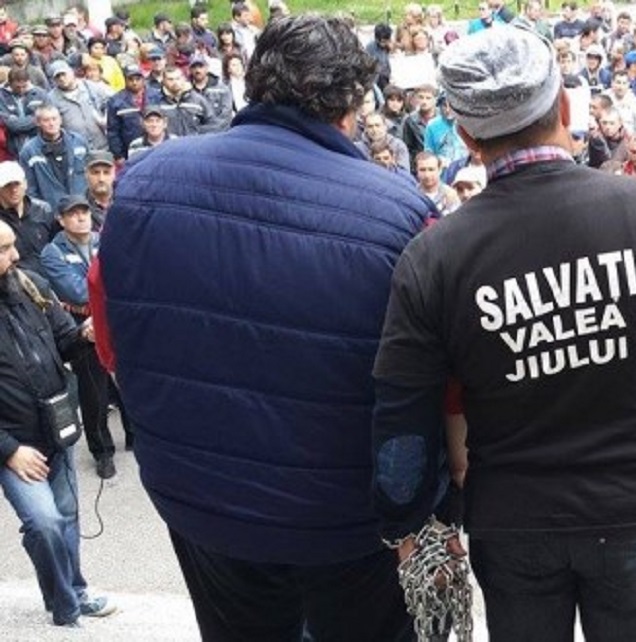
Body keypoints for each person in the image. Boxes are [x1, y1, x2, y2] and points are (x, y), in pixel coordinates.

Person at [371, 25, 636, 641]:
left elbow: (401, 425)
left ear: (466, 137)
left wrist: (408, 522)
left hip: (516, 522)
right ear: (565, 109)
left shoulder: (434, 257)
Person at [97, 16, 431, 640]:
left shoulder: (142, 185)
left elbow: (113, 345)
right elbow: (423, 386)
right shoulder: (398, 214)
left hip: (202, 501)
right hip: (343, 521)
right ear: (352, 105)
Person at [0, 219, 117, 628]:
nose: (15, 255)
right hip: (15, 446)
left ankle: (73, 596)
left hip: (57, 428)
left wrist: (86, 334)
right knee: (45, 523)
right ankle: (65, 606)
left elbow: (65, 340)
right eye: (3, 250)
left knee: (65, 519)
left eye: (12, 245)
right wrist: (10, 451)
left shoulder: (31, 285)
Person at [40, 195, 132, 479]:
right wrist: (102, 296)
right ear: (61, 219)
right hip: (82, 329)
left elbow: (125, 278)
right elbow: (78, 292)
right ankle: (102, 452)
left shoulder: (104, 240)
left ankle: (134, 436)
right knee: (94, 394)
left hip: (114, 321)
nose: (81, 217)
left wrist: (98, 297)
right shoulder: (51, 253)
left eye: (84, 212)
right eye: (72, 213)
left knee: (127, 383)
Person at [19, 105, 89, 209]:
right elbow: (30, 189)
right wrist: (41, 210)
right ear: (38, 123)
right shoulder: (29, 151)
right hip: (51, 211)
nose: (51, 123)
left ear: (60, 120)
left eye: (54, 119)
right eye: (46, 120)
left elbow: (90, 173)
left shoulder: (78, 142)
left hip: (81, 206)